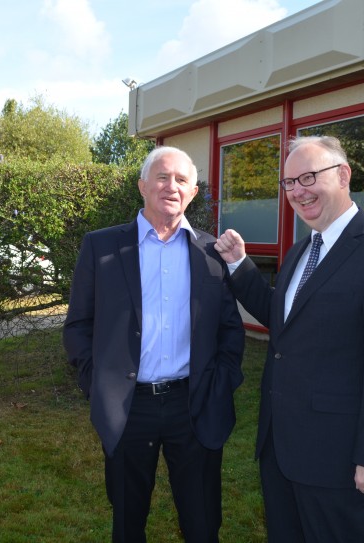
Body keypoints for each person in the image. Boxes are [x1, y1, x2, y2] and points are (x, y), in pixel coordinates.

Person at [215, 135, 364, 542]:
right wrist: (239, 265)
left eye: (308, 177)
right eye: (289, 183)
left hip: (338, 457)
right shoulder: (301, 250)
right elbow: (286, 321)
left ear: (343, 175)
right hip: (281, 448)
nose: (297, 191)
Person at [63, 146, 245, 542]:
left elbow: (230, 329)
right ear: (143, 185)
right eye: (162, 177)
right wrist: (97, 385)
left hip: (194, 403)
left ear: (193, 192)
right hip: (128, 406)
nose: (172, 186)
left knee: (202, 521)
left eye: (182, 180)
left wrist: (222, 382)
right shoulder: (102, 246)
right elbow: (78, 324)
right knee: (128, 521)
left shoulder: (212, 253)